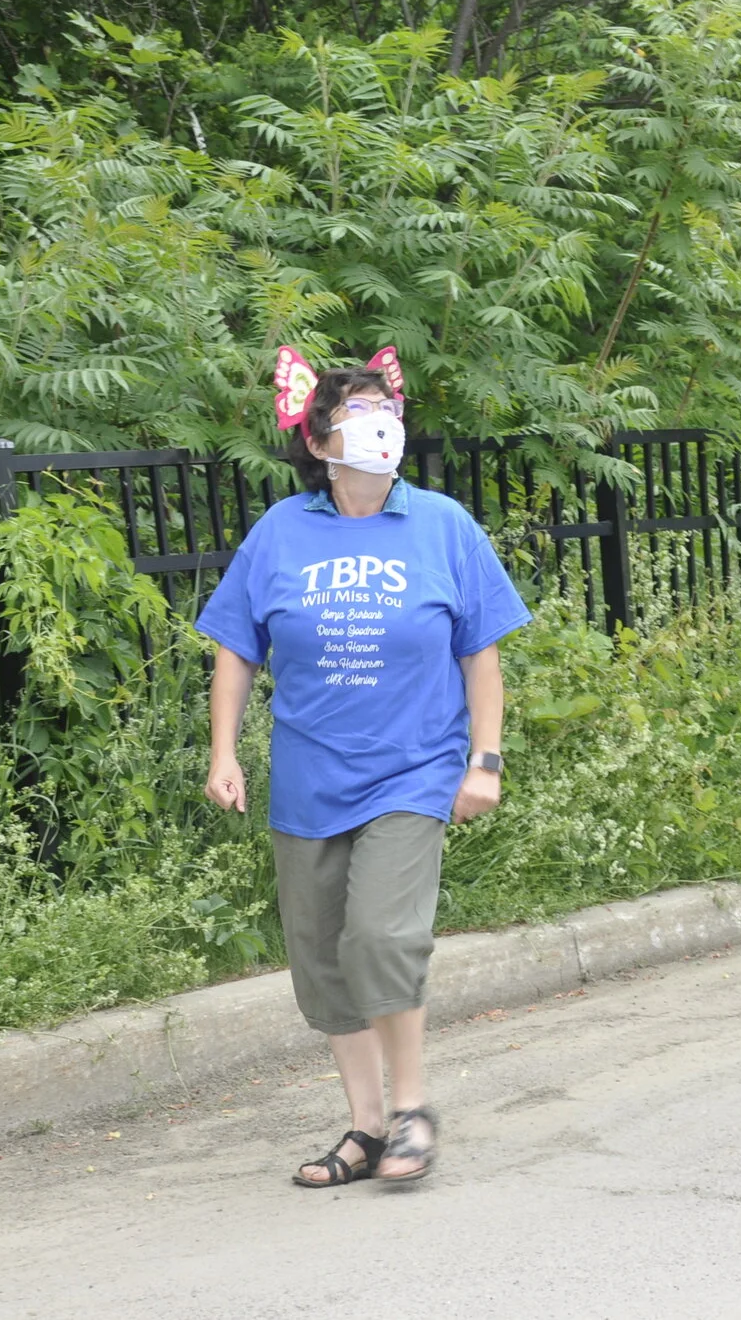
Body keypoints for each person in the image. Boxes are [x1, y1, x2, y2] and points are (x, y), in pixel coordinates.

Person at [198, 347, 531, 1183]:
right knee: (319, 959)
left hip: (414, 771)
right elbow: (237, 649)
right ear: (317, 442)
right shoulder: (280, 532)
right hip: (309, 777)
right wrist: (224, 752)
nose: (379, 428)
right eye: (357, 415)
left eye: (389, 414)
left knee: (381, 934)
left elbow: (481, 657)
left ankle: (415, 1107)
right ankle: (366, 1127)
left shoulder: (444, 525)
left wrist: (483, 761)